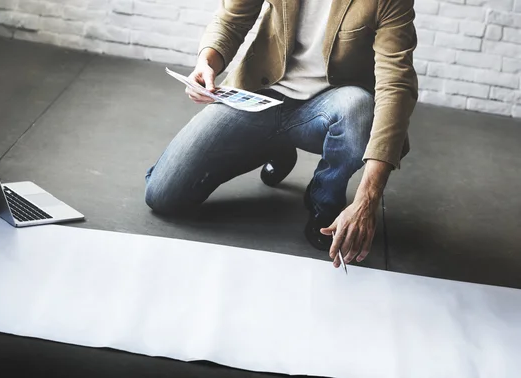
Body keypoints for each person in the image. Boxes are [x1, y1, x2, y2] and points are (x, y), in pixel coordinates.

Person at [144, 0, 418, 268]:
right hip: (259, 95)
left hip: (329, 107)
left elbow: (396, 85)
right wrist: (207, 63)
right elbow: (231, 19)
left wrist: (367, 198)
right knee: (162, 196)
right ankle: (277, 146)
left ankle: (324, 201)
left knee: (358, 108)